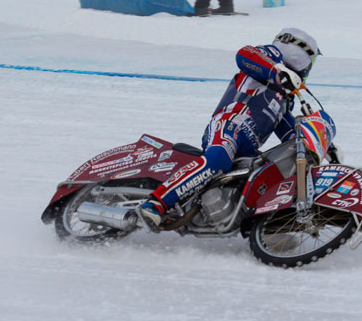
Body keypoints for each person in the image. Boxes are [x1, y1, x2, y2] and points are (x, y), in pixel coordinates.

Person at [136, 28, 321, 228]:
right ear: (300, 53)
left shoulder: (285, 96)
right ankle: (157, 202)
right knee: (220, 158)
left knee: (270, 174)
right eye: (311, 61)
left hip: (249, 147)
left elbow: (289, 134)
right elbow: (244, 55)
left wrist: (317, 142)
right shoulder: (271, 57)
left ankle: (271, 231)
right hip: (229, 125)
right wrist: (278, 71)